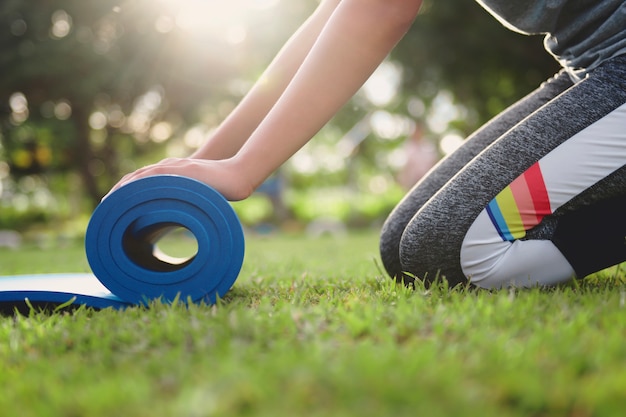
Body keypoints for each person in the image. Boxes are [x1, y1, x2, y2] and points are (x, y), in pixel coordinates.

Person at [110, 0, 626, 289]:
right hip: (590, 67)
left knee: (460, 249)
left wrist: (247, 169)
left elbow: (380, 10)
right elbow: (335, 17)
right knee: (404, 248)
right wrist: (209, 166)